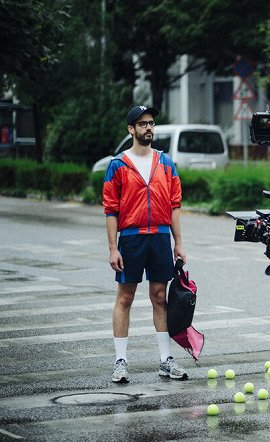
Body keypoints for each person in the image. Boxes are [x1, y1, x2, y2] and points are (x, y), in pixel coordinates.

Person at [103, 105, 187, 383]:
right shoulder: (118, 164)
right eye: (142, 124)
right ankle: (120, 361)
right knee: (125, 298)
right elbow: (111, 209)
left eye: (151, 123)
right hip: (131, 238)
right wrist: (113, 247)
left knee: (160, 298)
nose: (148, 128)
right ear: (131, 129)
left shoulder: (166, 162)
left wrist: (179, 243)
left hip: (160, 236)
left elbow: (175, 205)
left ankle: (165, 361)